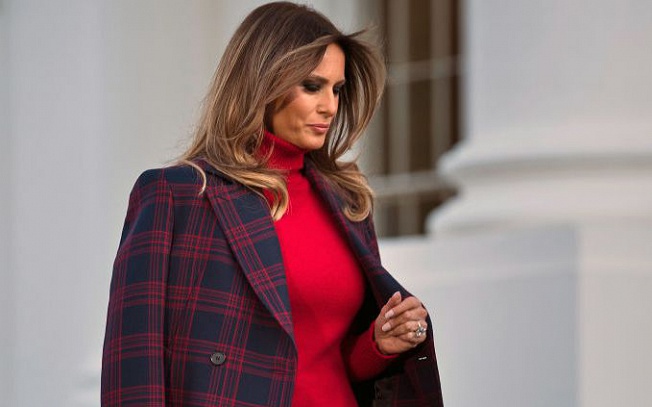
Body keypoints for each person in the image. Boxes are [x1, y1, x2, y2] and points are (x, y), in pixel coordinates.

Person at [101, 2, 443, 406]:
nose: (330, 106)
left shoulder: (347, 201)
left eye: (337, 89)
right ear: (263, 83)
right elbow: (134, 363)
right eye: (312, 86)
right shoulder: (180, 196)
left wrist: (378, 345)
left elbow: (328, 361)